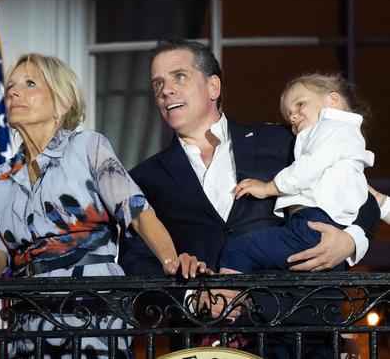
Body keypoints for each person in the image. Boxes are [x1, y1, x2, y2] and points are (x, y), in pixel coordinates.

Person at [118, 39, 379, 357]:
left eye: (179, 77)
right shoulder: (143, 177)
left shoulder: (283, 141)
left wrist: (351, 242)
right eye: (158, 82)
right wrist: (191, 299)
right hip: (205, 344)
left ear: (213, 86)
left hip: (301, 333)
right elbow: (134, 262)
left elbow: (358, 191)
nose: (165, 89)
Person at [0, 53, 207, 358]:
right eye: (11, 86)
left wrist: (171, 261)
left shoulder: (87, 146)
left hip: (92, 308)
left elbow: (137, 212)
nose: (12, 92)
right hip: (28, 314)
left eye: (29, 83)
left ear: (62, 103)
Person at [220, 73, 374, 274]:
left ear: (333, 100)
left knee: (238, 250)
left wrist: (268, 188)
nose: (292, 116)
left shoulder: (334, 127)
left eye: (300, 104)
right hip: (320, 227)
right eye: (288, 115)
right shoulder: (341, 137)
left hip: (313, 226)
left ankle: (225, 304)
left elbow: (310, 165)